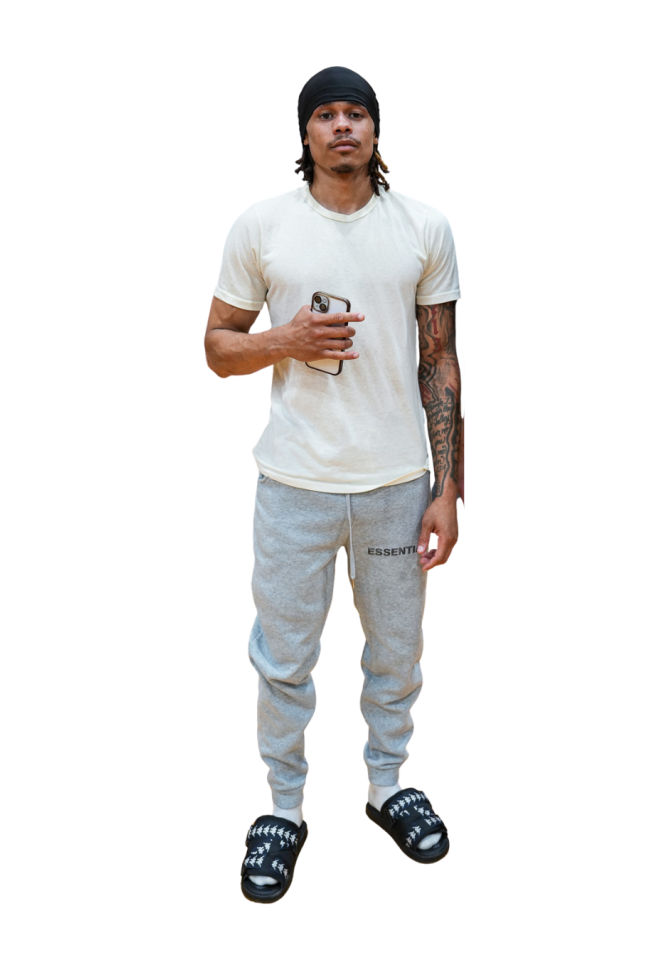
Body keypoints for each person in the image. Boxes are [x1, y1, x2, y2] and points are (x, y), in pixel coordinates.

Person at [203, 66, 464, 904]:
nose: (342, 125)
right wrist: (285, 339)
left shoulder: (424, 226)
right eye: (326, 114)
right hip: (294, 484)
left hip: (397, 485)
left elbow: (441, 363)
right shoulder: (263, 225)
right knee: (283, 656)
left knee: (397, 652)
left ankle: (387, 784)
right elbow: (216, 349)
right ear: (307, 133)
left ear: (375, 129)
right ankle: (283, 806)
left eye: (356, 112)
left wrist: (448, 490)